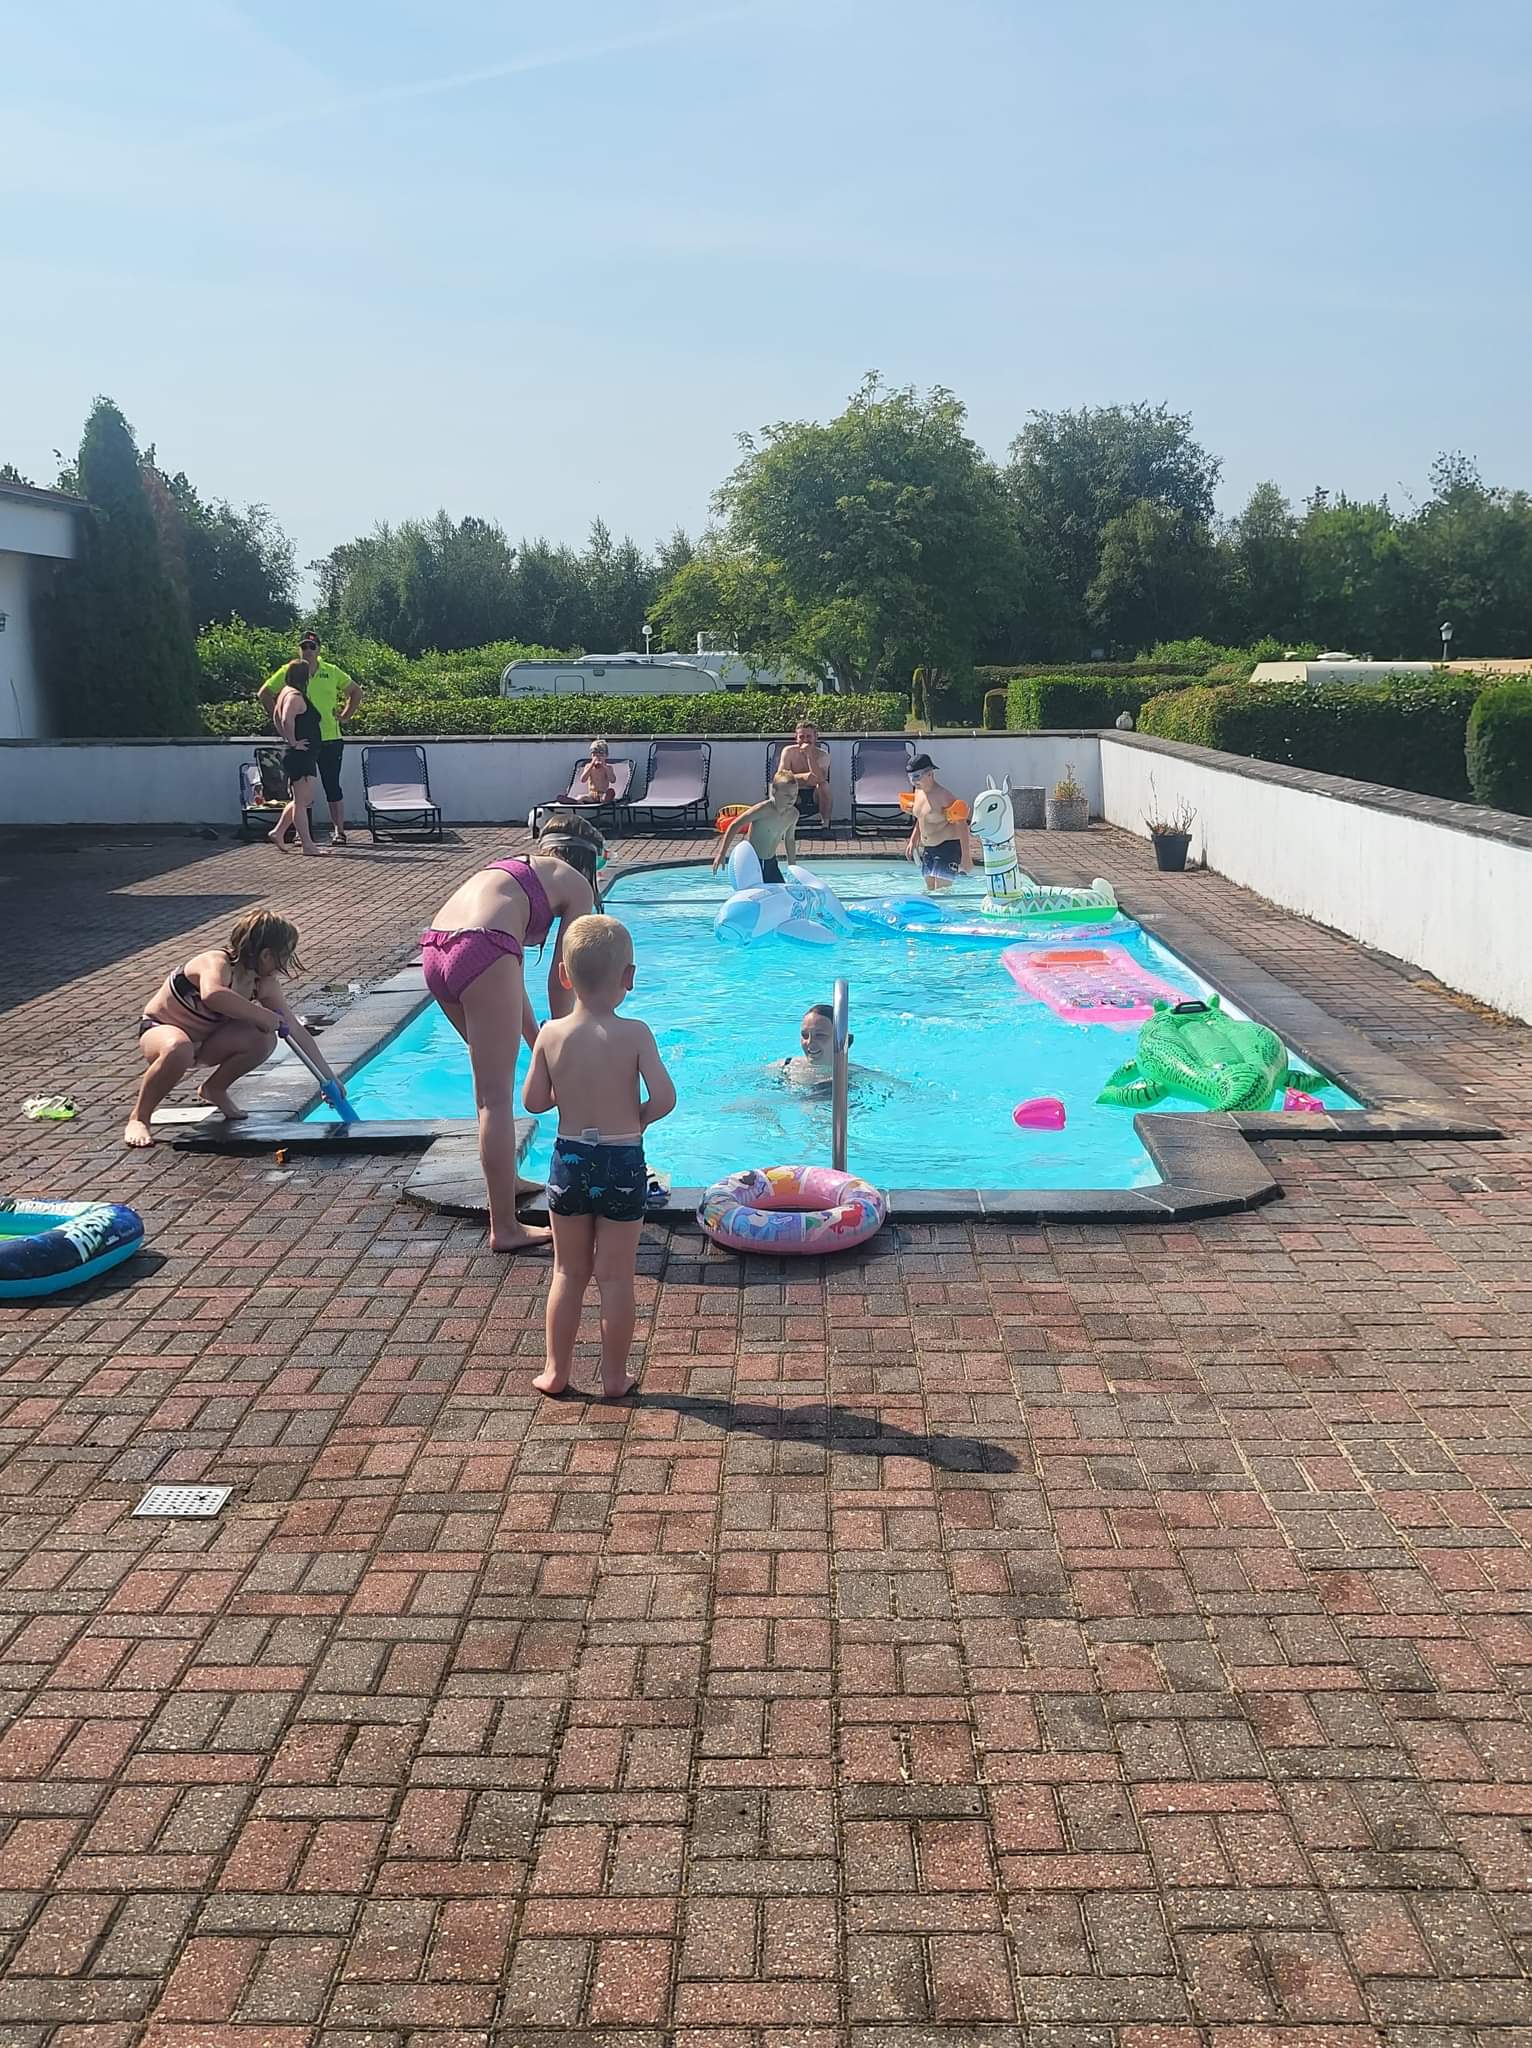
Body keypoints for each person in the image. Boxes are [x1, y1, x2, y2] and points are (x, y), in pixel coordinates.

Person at [420, 819, 603, 1254]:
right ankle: (504, 1227)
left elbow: (507, 974)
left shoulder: (514, 871)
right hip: (482, 949)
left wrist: (538, 1038)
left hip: (435, 948)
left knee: (489, 1091)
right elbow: (564, 978)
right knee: (495, 1100)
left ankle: (508, 1182)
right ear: (588, 863)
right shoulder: (577, 884)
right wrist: (564, 1043)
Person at [521, 915, 676, 1400]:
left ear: (565, 976)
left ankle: (555, 1371)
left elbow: (533, 1102)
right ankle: (613, 1377)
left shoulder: (550, 1034)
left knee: (567, 1272)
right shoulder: (635, 1033)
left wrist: (569, 1092)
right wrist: (637, 1119)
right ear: (628, 977)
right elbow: (666, 1098)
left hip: (570, 1160)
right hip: (622, 1161)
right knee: (615, 1276)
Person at [125, 910, 343, 1146]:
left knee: (264, 1038)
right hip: (161, 1031)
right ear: (267, 954)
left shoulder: (264, 984)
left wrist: (328, 1079)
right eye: (285, 955)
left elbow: (296, 1030)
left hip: (207, 1042)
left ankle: (215, 1089)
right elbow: (213, 995)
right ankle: (140, 1117)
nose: (286, 963)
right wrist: (261, 1014)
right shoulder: (216, 962)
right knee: (179, 1046)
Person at [258, 630, 362, 847]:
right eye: (304, 647)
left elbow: (355, 691)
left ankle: (338, 832)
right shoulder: (291, 671)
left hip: (330, 739)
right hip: (304, 743)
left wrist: (344, 716)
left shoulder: (331, 671)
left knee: (331, 787)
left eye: (312, 647)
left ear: (319, 649)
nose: (308, 651)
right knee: (302, 794)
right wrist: (285, 731)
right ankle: (301, 835)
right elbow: (265, 694)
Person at [271, 662, 327, 857]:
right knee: (303, 801)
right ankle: (307, 845)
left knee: (299, 799)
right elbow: (286, 719)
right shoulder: (294, 696)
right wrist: (293, 742)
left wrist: (287, 739)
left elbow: (276, 718)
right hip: (300, 756)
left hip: (301, 754)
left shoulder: (284, 693)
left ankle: (278, 831)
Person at [711, 775, 801, 883]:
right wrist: (721, 854)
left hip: (771, 863)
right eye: (787, 795)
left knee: (782, 894)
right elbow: (735, 825)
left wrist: (793, 867)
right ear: (774, 792)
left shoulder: (793, 814)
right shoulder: (762, 810)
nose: (792, 799)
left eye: (795, 795)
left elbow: (789, 840)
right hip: (754, 862)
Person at [905, 753, 971, 892]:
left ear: (929, 773)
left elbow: (962, 824)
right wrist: (913, 840)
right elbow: (922, 818)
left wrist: (966, 856)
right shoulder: (918, 792)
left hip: (947, 848)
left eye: (917, 776)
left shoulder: (944, 797)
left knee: (942, 892)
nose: (914, 781)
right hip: (928, 849)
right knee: (929, 890)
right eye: (910, 777)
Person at [776, 721, 831, 827]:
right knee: (782, 786)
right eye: (801, 737)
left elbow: (820, 779)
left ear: (815, 737)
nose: (805, 740)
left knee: (824, 786)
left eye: (809, 736)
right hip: (792, 790)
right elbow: (781, 776)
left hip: (814, 793)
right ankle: (785, 826)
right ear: (796, 738)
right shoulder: (788, 751)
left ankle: (825, 825)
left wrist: (809, 755)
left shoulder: (823, 755)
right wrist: (804, 777)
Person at [575, 739, 616, 804]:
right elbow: (583, 780)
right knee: (580, 798)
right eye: (594, 755)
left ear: (606, 756)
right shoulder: (588, 766)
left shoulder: (608, 767)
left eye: (601, 756)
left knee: (610, 792)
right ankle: (576, 801)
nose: (598, 758)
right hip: (592, 795)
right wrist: (591, 765)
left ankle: (606, 799)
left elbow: (613, 780)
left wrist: (604, 766)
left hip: (603, 793)